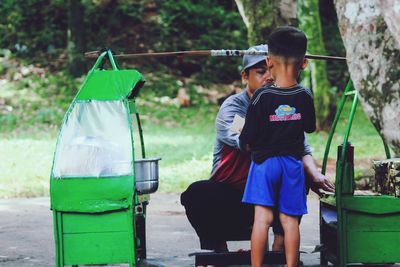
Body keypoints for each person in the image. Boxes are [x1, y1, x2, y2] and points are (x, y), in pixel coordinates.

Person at [180, 43, 334, 255]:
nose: (269, 77)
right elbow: (248, 140)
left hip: (273, 195)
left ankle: (279, 248)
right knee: (197, 193)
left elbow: (301, 147)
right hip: (235, 198)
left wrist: (315, 175)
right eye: (261, 72)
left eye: (273, 70)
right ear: (245, 76)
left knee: (296, 172)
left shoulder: (287, 105)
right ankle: (219, 251)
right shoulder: (232, 108)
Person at [240, 26, 315, 267]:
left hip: (264, 164)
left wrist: (249, 143)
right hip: (292, 165)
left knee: (262, 219)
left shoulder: (262, 96)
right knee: (289, 221)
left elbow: (247, 136)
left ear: (269, 61)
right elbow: (310, 127)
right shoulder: (304, 95)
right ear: (304, 63)